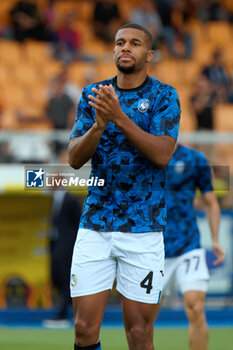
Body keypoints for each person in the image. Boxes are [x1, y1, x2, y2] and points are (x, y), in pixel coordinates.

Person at [68, 23, 181, 350]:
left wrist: (119, 117)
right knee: (84, 329)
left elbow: (162, 154)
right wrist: (98, 127)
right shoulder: (93, 95)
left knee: (139, 333)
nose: (125, 48)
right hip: (95, 225)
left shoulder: (164, 96)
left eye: (134, 43)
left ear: (150, 55)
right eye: (119, 43)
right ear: (113, 50)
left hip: (143, 230)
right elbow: (74, 158)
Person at [161, 143, 225, 350]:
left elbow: (211, 201)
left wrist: (215, 240)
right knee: (142, 317)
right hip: (151, 247)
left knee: (196, 307)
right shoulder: (141, 154)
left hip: (188, 244)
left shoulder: (195, 159)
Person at [44, 188, 81, 327]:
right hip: (56, 247)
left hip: (67, 248)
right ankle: (66, 310)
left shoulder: (71, 199)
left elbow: (77, 223)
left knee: (67, 280)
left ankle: (64, 313)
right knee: (57, 278)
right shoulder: (54, 200)